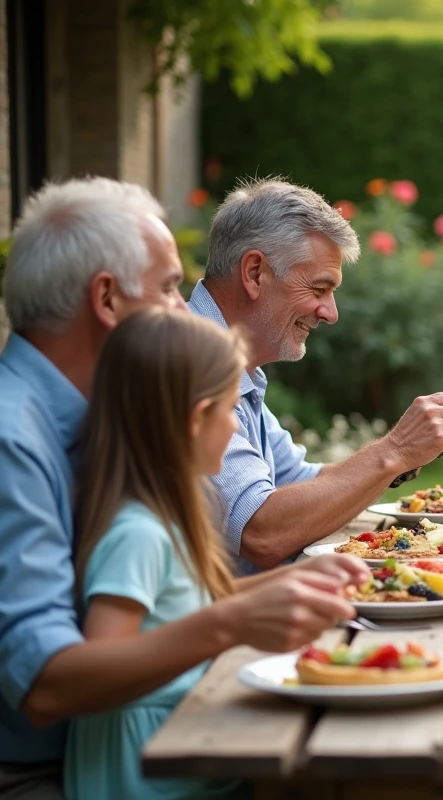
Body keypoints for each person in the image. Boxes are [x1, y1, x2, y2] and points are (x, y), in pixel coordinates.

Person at [0, 178, 359, 800]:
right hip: (61, 776)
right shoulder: (13, 440)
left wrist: (278, 587)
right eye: (168, 288)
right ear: (107, 299)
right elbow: (47, 686)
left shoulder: (96, 413)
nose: (183, 307)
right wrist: (233, 618)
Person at [63, 310, 366, 799]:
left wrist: (295, 580)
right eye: (229, 410)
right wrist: (235, 620)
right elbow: (98, 668)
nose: (235, 429)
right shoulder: (137, 533)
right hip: (146, 774)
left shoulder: (167, 513)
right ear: (194, 419)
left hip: (187, 749)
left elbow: (181, 609)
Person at [189, 178, 443, 572]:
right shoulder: (187, 365)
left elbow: (297, 483)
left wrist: (405, 457)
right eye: (319, 288)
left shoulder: (234, 365)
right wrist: (394, 450)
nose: (330, 313)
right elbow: (259, 530)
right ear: (255, 272)